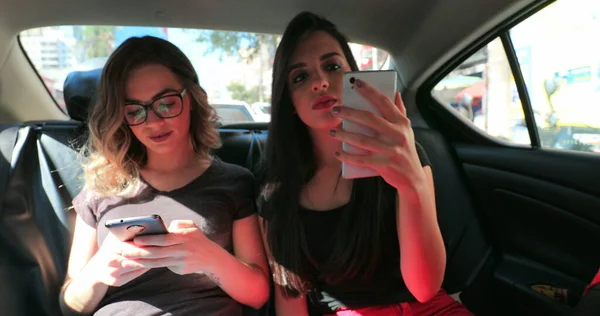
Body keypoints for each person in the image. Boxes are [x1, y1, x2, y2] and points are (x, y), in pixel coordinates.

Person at [257, 12, 474, 315]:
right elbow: (290, 296)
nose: (320, 82)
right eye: (300, 77)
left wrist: (411, 186)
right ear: (289, 102)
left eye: (332, 67)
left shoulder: (401, 154)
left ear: (354, 79)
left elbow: (424, 288)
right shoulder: (276, 188)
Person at [59, 36, 269, 316]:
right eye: (135, 111)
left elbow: (258, 296)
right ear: (121, 117)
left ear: (192, 98)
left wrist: (210, 258)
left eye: (166, 104)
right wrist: (99, 270)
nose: (154, 122)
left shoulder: (234, 182)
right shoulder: (100, 190)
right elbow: (70, 307)